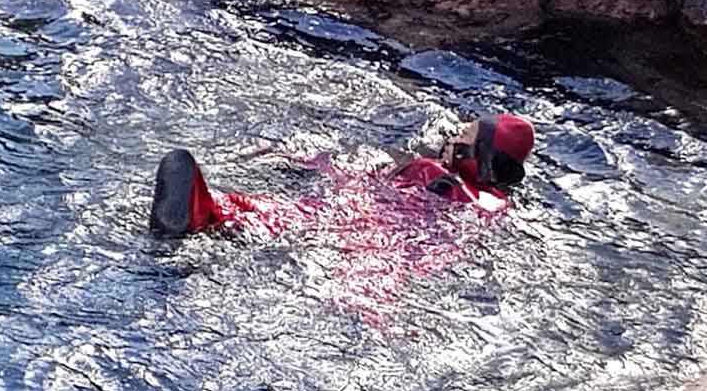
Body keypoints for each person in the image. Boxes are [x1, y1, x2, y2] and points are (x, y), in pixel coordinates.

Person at [149, 113, 536, 236]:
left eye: (463, 136)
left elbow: (350, 168)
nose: (452, 138)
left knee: (287, 216)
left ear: (478, 156)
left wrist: (295, 155)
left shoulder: (434, 175)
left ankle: (209, 213)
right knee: (290, 218)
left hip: (373, 220)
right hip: (390, 225)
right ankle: (207, 214)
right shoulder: (495, 206)